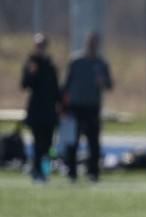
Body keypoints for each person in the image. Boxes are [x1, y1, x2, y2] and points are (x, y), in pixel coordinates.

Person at [62, 31, 113, 182]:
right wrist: (63, 106)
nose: (92, 45)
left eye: (95, 42)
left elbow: (109, 85)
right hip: (75, 107)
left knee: (93, 141)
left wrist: (102, 82)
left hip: (92, 107)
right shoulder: (76, 61)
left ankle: (93, 173)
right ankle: (72, 172)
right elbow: (66, 85)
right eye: (90, 42)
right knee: (73, 141)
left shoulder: (101, 63)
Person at [20, 33, 60, 182]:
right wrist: (31, 73)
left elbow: (56, 89)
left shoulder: (50, 65)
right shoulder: (31, 63)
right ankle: (36, 171)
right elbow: (24, 85)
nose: (40, 48)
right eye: (38, 45)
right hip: (36, 110)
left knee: (49, 145)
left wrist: (61, 105)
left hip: (49, 111)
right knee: (38, 143)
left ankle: (45, 171)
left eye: (43, 45)